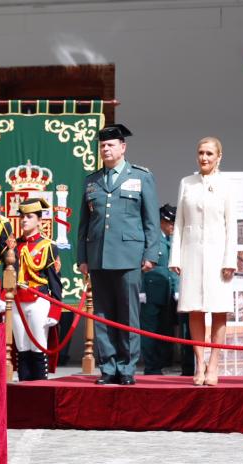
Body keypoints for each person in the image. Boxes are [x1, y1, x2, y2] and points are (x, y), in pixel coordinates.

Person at [77, 124, 160, 385]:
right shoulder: (92, 180)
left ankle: (126, 367)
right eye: (102, 145)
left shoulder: (141, 177)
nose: (106, 149)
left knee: (128, 314)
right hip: (99, 256)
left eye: (111, 144)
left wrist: (150, 253)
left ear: (123, 147)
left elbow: (151, 220)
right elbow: (84, 223)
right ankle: (108, 367)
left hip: (129, 256)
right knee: (102, 315)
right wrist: (82, 257)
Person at [170, 137, 237, 386]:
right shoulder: (186, 182)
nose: (204, 158)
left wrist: (229, 259)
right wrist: (175, 256)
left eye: (209, 153)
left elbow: (232, 224)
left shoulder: (227, 184)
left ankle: (215, 363)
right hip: (191, 253)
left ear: (219, 156)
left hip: (219, 255)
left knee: (219, 310)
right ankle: (200, 362)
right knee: (194, 308)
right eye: (201, 153)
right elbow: (178, 223)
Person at [10, 198, 61, 381]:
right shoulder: (15, 245)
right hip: (17, 300)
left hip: (38, 300)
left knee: (38, 346)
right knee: (22, 347)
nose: (24, 220)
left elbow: (55, 282)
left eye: (29, 217)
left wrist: (55, 311)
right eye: (22, 216)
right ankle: (24, 389)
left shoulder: (48, 246)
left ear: (40, 221)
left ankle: (40, 387)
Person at [139, 204, 179, 375]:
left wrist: (176, 288)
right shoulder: (152, 238)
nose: (172, 227)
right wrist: (140, 290)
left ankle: (162, 362)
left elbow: (174, 268)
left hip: (167, 292)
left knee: (165, 329)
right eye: (170, 223)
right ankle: (152, 366)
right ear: (162, 222)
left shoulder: (171, 239)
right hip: (151, 292)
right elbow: (141, 265)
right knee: (150, 331)